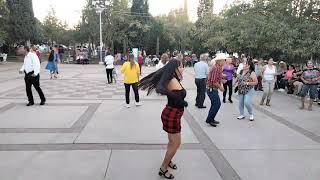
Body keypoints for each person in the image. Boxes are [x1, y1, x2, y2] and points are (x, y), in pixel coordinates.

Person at [138, 59, 187, 179]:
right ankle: (163, 168)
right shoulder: (172, 79)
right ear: (175, 69)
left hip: (173, 114)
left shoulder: (174, 78)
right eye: (181, 67)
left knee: (172, 142)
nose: (183, 69)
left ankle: (168, 160)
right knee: (176, 143)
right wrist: (175, 96)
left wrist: (178, 99)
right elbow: (160, 88)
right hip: (172, 115)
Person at [206, 53, 226, 127]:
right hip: (212, 89)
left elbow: (215, 78)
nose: (225, 61)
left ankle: (211, 119)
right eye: (224, 60)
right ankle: (210, 120)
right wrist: (221, 88)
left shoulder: (218, 67)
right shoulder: (216, 68)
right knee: (217, 104)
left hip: (212, 89)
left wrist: (221, 80)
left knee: (214, 104)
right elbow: (214, 81)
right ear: (219, 61)